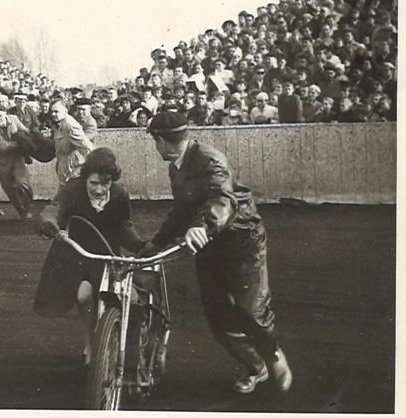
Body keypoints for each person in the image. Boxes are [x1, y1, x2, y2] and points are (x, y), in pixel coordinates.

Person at [141, 110, 292, 394]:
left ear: (160, 140)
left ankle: (273, 355)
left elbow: (222, 198)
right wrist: (157, 242)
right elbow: (181, 212)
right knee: (218, 317)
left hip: (241, 240)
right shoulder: (177, 166)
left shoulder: (210, 160)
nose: (156, 146)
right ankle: (256, 367)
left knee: (252, 310)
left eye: (155, 141)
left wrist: (202, 227)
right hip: (209, 242)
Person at [34, 148, 145, 364]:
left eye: (105, 184)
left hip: (106, 252)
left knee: (127, 297)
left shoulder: (120, 194)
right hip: (76, 252)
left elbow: (124, 226)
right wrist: (50, 224)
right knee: (83, 295)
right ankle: (91, 339)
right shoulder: (73, 190)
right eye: (94, 183)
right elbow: (53, 209)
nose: (99, 189)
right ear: (85, 178)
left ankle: (125, 344)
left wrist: (140, 245)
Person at [0, 106, 34, 220]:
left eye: (0, 116)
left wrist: (33, 136)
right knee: (10, 189)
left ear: (5, 114)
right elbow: (1, 147)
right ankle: (21, 211)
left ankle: (28, 206)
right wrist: (20, 143)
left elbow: (25, 131)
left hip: (18, 158)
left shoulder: (13, 119)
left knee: (22, 183)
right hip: (3, 162)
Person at [50, 101, 94, 188]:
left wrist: (85, 168)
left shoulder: (70, 125)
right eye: (52, 112)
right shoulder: (59, 124)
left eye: (56, 111)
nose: (53, 114)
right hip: (63, 165)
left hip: (72, 166)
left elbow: (86, 147)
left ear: (65, 111)